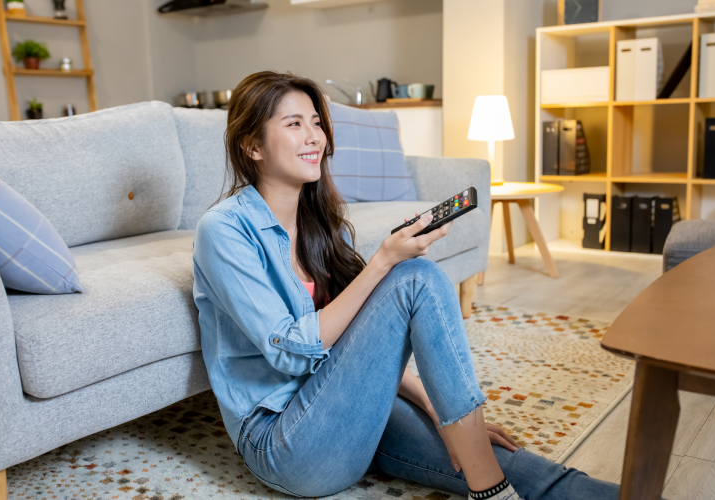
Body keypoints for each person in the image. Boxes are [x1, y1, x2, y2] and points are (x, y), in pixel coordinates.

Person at [192, 71, 620, 500]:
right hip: (287, 445)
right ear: (252, 146)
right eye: (294, 124)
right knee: (414, 277)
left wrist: (438, 411)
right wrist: (381, 262)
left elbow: (362, 346)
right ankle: (491, 493)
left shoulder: (322, 227)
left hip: (342, 406)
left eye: (316, 122)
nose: (314, 137)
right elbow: (291, 352)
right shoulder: (224, 230)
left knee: (488, 453)